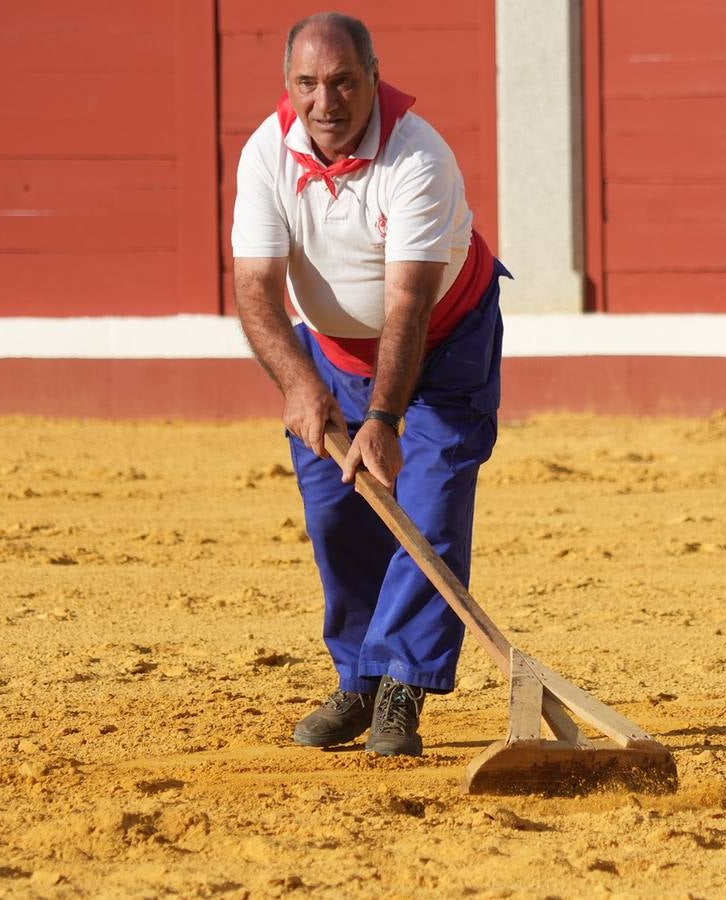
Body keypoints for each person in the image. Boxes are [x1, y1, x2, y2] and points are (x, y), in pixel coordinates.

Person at [231, 12, 508, 757]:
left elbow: (407, 306)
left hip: (446, 340)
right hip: (328, 354)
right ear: (290, 87)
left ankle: (400, 686)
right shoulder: (266, 154)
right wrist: (298, 381)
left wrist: (383, 418)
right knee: (335, 516)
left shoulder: (419, 158)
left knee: (431, 501)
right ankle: (357, 680)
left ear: (374, 80)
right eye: (309, 84)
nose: (327, 102)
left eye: (345, 81)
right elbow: (255, 289)